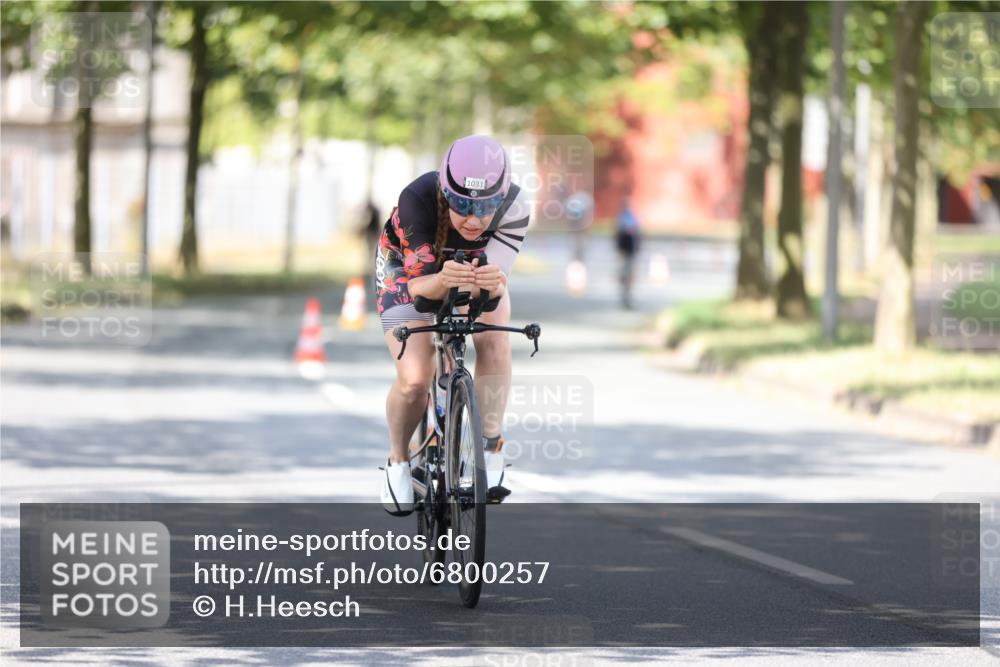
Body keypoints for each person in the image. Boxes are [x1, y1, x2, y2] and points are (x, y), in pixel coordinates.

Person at [375, 135, 530, 516]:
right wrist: (444, 280)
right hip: (407, 271)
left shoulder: (516, 205)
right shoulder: (418, 197)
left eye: (485, 207)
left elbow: (492, 289)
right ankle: (398, 459)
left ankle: (491, 446)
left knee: (494, 338)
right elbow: (421, 293)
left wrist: (480, 287)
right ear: (445, 191)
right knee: (415, 376)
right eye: (461, 205)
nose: (473, 219)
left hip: (472, 272)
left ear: (502, 197)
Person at [615, 197, 641, 309]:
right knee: (625, 273)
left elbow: (637, 234)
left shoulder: (631, 217)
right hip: (625, 250)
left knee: (629, 274)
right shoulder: (623, 218)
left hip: (631, 250)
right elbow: (619, 235)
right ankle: (625, 295)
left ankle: (627, 294)